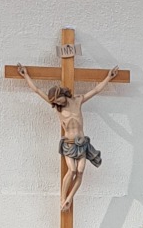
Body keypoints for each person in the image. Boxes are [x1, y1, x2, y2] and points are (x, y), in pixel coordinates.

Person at [16, 63, 121, 213]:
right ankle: (62, 198)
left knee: (80, 170)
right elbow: (37, 90)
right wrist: (25, 75)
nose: (56, 103)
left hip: (82, 143)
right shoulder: (58, 109)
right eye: (54, 102)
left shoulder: (77, 101)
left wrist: (108, 77)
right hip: (69, 145)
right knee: (71, 170)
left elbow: (96, 90)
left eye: (58, 100)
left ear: (62, 94)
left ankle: (70, 198)